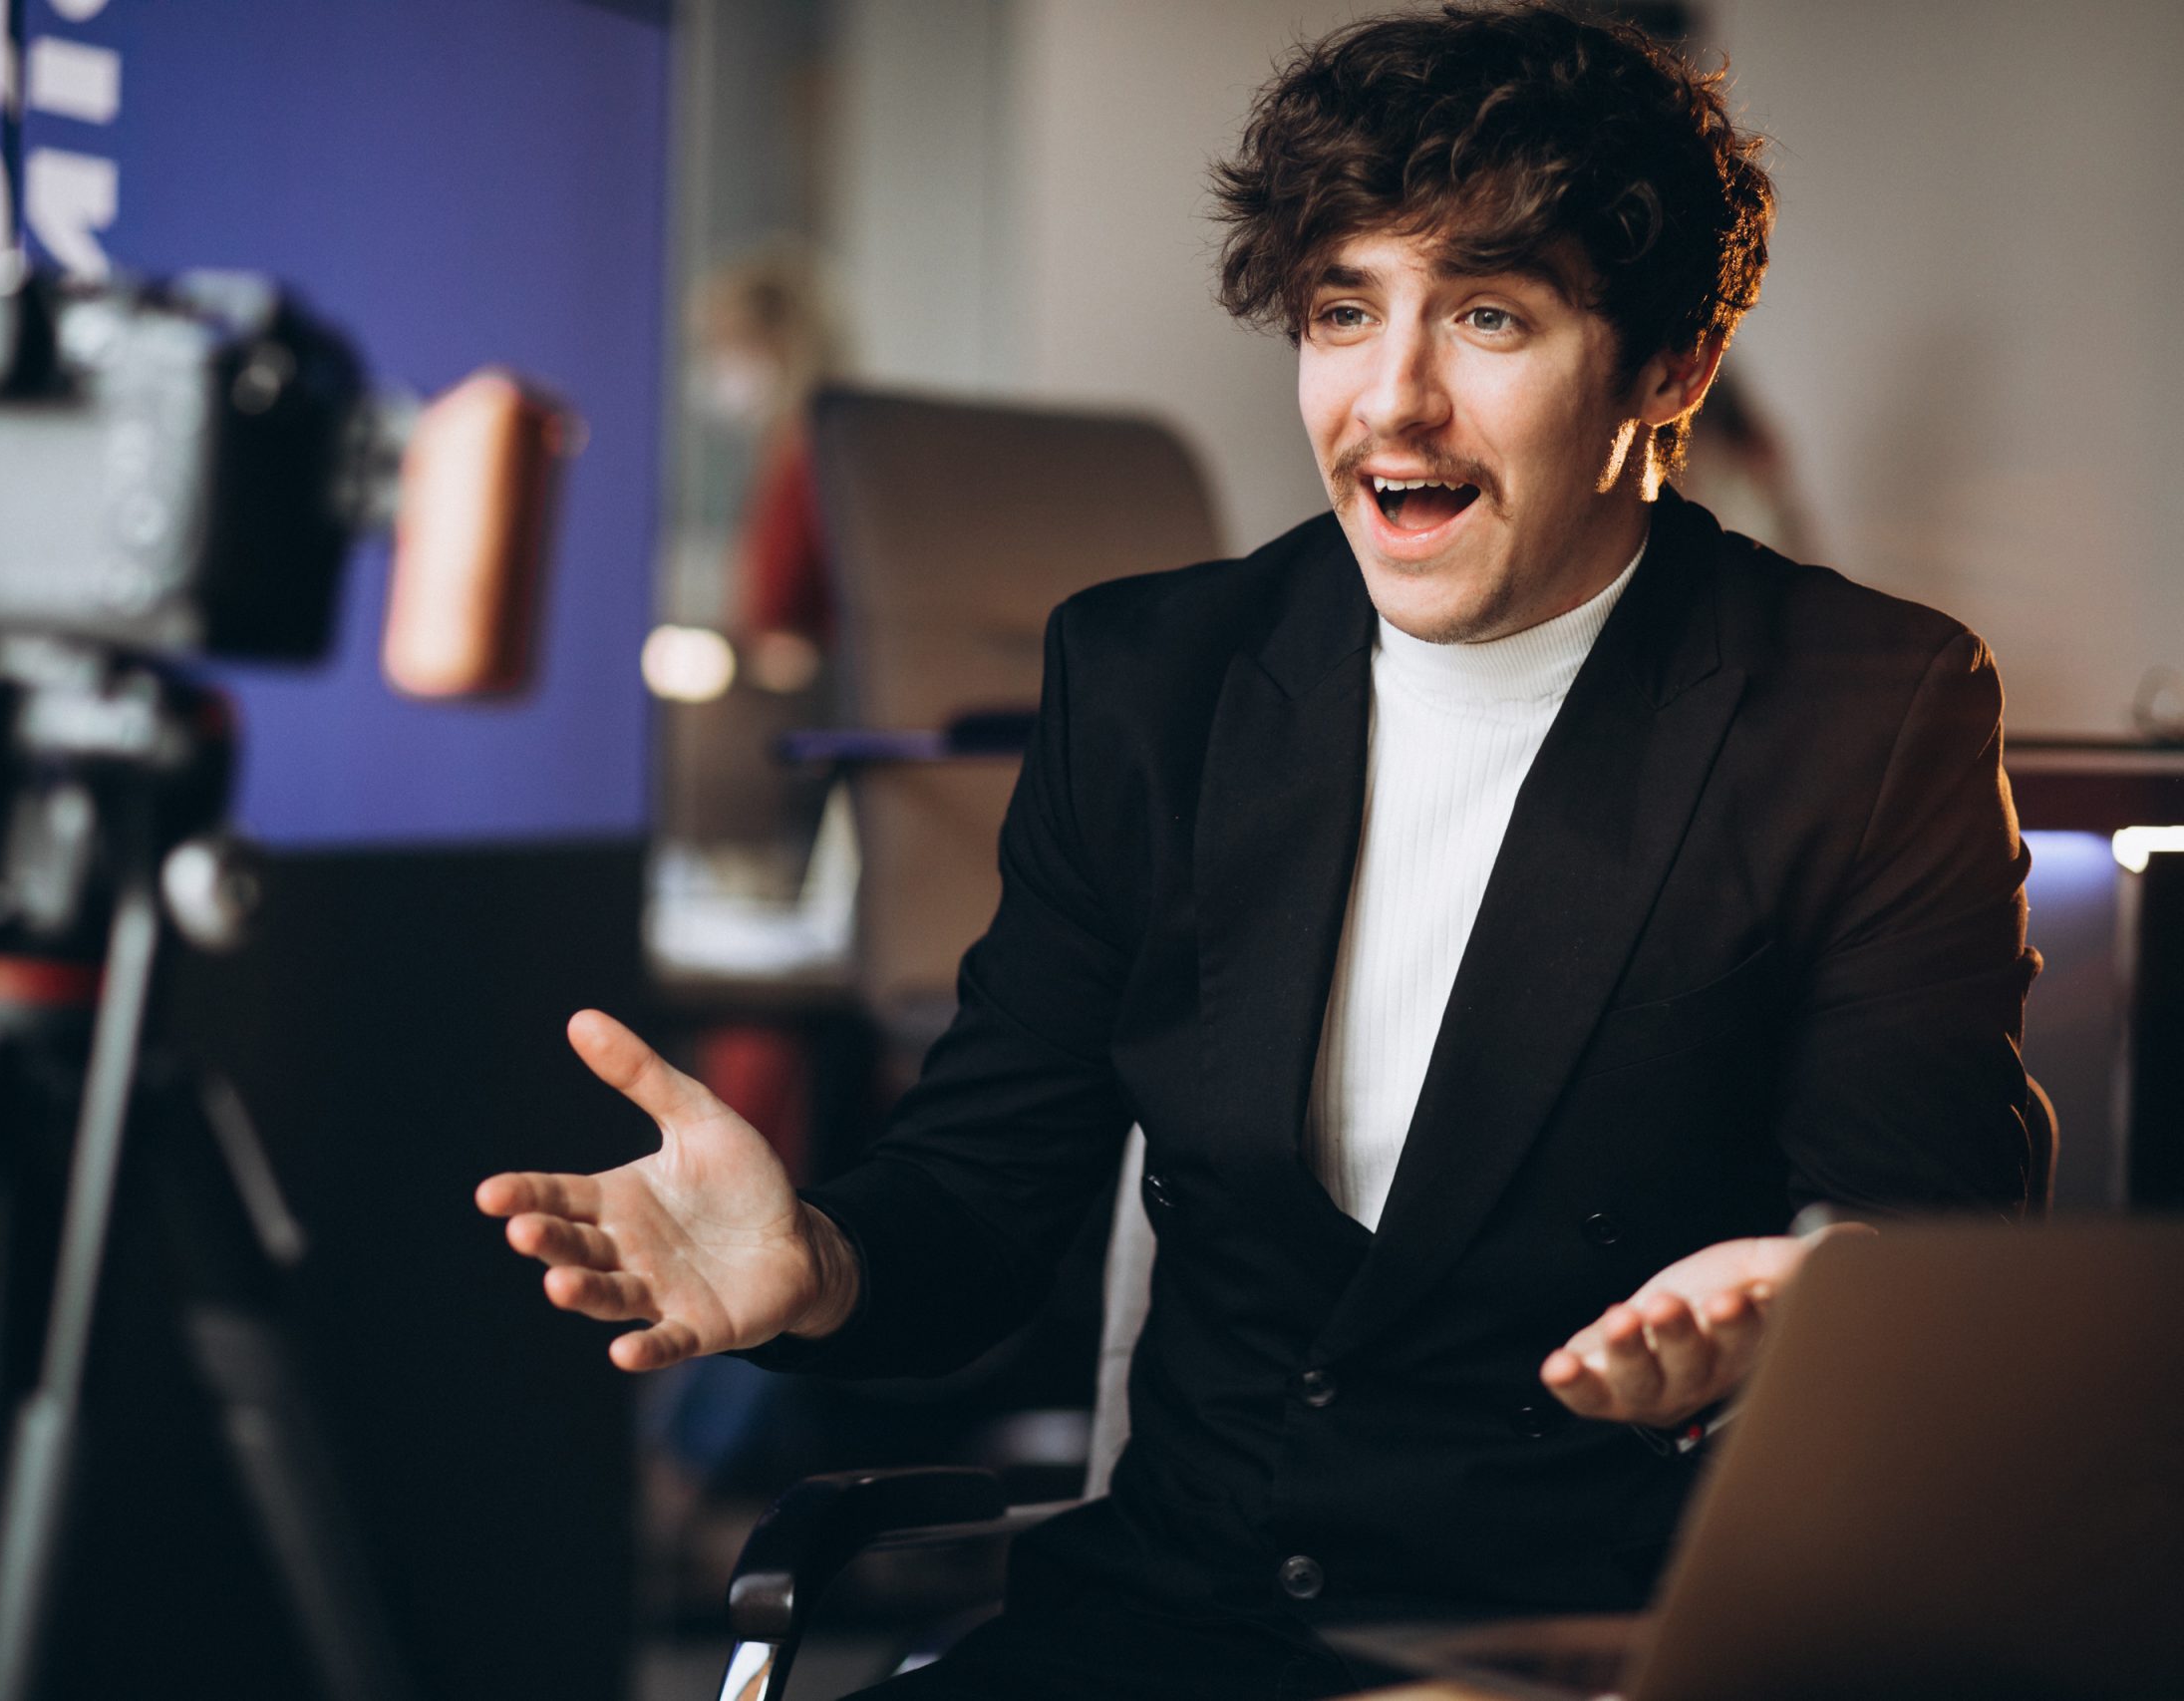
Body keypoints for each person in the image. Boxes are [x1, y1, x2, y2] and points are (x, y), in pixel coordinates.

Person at [479, 5, 2038, 1695]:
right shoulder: (1155, 681)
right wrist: (821, 1260)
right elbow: (985, 1193)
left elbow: (1928, 1229)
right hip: (1170, 1621)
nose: (1396, 399)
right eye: (1343, 311)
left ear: (1667, 367)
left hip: (1589, 1648)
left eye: (1491, 316)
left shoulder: (1867, 710)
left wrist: (1809, 1306)